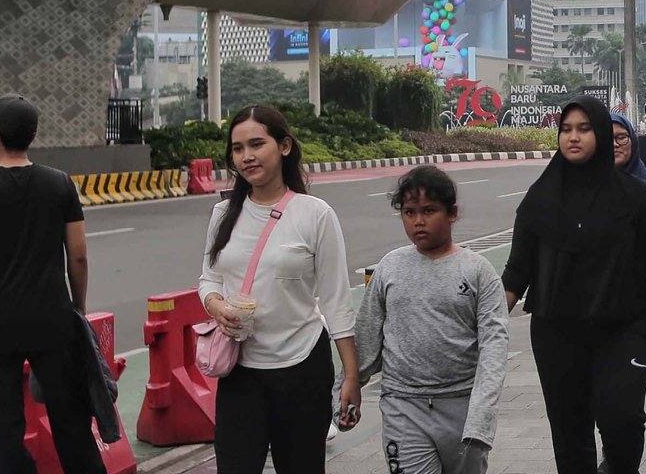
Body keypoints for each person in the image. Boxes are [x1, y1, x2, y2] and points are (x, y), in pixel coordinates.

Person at [502, 96, 646, 474]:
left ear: (599, 133)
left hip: (623, 328)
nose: (573, 137)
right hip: (556, 331)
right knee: (569, 432)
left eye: (584, 129)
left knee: (623, 420)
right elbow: (517, 272)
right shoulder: (540, 198)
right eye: (566, 129)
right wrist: (483, 323)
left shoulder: (636, 198)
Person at [0, 95, 107, 474]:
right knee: (70, 420)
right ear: (32, 136)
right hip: (53, 319)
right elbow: (79, 256)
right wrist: (78, 309)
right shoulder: (60, 184)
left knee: (5, 426)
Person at [198, 105, 359, 473]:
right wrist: (215, 304)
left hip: (302, 366)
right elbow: (208, 278)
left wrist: (350, 376)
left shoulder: (314, 214)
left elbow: (336, 301)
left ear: (284, 146)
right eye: (237, 149)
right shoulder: (223, 215)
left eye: (257, 144)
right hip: (240, 370)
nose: (246, 156)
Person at [352, 166, 509, 474]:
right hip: (403, 406)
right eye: (409, 212)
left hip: (462, 408)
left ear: (452, 213)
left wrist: (481, 417)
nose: (418, 221)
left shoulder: (478, 272)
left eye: (429, 210)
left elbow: (494, 347)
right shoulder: (389, 268)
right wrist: (348, 386)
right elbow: (367, 333)